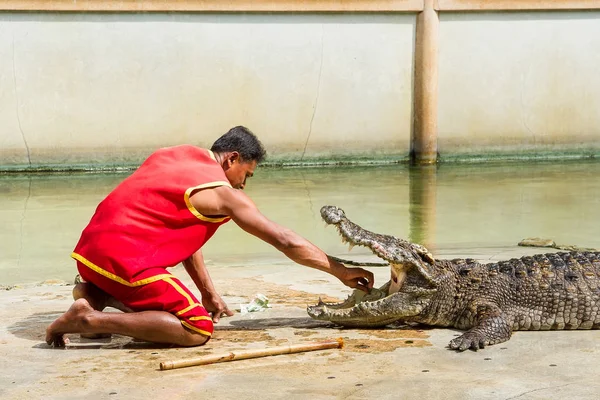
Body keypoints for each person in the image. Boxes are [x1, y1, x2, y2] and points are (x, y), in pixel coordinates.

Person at [46, 126, 374, 347]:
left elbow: (181, 233)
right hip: (124, 262)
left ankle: (91, 293)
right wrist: (340, 271)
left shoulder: (172, 153)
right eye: (246, 174)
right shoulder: (222, 194)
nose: (244, 184)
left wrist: (209, 292)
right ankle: (90, 319)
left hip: (89, 255)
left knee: (165, 300)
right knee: (197, 329)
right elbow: (284, 241)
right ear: (232, 159)